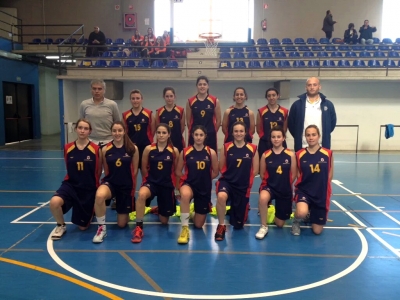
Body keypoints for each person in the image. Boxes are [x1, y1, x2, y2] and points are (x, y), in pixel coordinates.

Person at [49, 119, 101, 240]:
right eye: (80, 128)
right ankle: (61, 225)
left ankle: (90, 209)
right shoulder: (67, 148)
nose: (82, 131)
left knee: (82, 227)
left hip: (88, 188)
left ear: (90, 131)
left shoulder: (96, 149)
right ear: (76, 129)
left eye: (85, 128)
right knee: (54, 202)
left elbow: (98, 171)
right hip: (71, 185)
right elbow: (68, 167)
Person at [131, 123, 180, 243]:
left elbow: (176, 171)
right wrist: (145, 183)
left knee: (164, 222)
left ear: (169, 134)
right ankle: (139, 227)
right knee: (141, 195)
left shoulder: (174, 151)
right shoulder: (149, 149)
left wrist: (177, 189)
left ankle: (159, 209)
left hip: (166, 185)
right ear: (156, 134)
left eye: (164, 133)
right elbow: (143, 168)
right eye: (159, 133)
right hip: (151, 183)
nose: (161, 135)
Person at [92, 121, 139, 243]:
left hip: (125, 186)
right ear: (111, 132)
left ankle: (123, 206)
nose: (117, 133)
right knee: (99, 195)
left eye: (119, 130)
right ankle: (101, 228)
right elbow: (106, 170)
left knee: (122, 224)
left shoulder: (133, 148)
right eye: (114, 131)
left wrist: (130, 188)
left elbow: (134, 171)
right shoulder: (105, 149)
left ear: (124, 131)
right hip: (111, 184)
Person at [215, 121, 259, 241]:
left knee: (238, 225)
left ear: (245, 133)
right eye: (236, 131)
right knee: (221, 196)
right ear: (232, 132)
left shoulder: (253, 148)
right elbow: (221, 166)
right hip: (227, 182)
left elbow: (255, 170)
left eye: (241, 131)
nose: (238, 133)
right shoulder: (226, 147)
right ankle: (221, 225)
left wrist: (243, 179)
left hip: (242, 186)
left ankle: (234, 209)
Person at [175, 125, 219, 244]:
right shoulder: (185, 151)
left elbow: (216, 171)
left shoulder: (211, 152)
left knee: (199, 225)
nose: (198, 137)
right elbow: (178, 171)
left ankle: (191, 213)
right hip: (189, 184)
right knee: (185, 195)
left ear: (205, 137)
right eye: (196, 135)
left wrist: (204, 178)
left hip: (204, 187)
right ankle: (184, 228)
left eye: (201, 135)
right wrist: (184, 182)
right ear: (192, 136)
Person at [291, 125, 334, 236]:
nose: (311, 137)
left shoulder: (328, 154)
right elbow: (298, 174)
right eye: (308, 135)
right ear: (305, 137)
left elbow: (330, 175)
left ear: (319, 136)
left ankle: (310, 213)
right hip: (304, 191)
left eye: (313, 135)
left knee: (317, 231)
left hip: (320, 193)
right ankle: (297, 220)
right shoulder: (299, 154)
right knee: (301, 212)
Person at [256, 126, 297, 239]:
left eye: (279, 137)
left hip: (284, 189)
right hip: (270, 187)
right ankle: (263, 226)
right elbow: (263, 174)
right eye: (273, 137)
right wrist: (270, 184)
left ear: (283, 138)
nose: (276, 139)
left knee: (279, 224)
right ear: (270, 139)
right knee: (263, 198)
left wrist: (285, 184)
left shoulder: (290, 155)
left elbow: (293, 174)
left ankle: (274, 212)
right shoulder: (265, 155)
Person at [287, 77, 337, 152]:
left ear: (319, 86)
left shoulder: (328, 104)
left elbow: (332, 124)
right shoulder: (297, 105)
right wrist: (298, 136)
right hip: (302, 146)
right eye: (309, 85)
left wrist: (325, 134)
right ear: (305, 87)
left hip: (322, 146)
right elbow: (291, 124)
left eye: (315, 85)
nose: (312, 87)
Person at [122, 89, 155, 178]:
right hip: (132, 148)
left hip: (146, 147)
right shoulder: (125, 115)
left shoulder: (148, 113)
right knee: (133, 173)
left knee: (146, 172)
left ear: (142, 99)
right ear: (130, 100)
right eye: (133, 98)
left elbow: (153, 130)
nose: (135, 100)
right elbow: (124, 132)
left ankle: (146, 190)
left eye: (137, 98)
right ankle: (131, 191)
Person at [79, 79, 121, 146]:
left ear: (104, 90)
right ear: (91, 90)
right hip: (90, 141)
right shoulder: (84, 104)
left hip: (109, 141)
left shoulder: (112, 104)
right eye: (94, 89)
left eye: (99, 89)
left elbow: (117, 123)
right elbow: (81, 124)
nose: (97, 91)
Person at [186, 76, 221, 152]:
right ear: (196, 86)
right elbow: (188, 121)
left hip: (210, 134)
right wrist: (195, 132)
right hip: (195, 135)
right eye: (200, 84)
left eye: (204, 84)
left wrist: (212, 131)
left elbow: (218, 120)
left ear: (208, 86)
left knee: (210, 156)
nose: (202, 86)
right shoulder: (190, 101)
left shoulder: (214, 100)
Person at [256, 88, 288, 157]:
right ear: (266, 97)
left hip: (280, 141)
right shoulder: (261, 111)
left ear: (278, 96)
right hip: (265, 142)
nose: (271, 97)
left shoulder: (284, 111)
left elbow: (284, 128)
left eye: (273, 95)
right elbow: (258, 129)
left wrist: (279, 138)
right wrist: (265, 138)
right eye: (269, 96)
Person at [156, 87, 185, 153]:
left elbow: (182, 128)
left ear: (174, 97)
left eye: (171, 96)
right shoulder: (159, 111)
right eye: (167, 96)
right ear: (164, 97)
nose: (169, 98)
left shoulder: (181, 110)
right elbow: (157, 127)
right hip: (163, 141)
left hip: (177, 140)